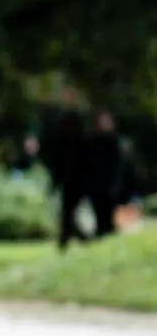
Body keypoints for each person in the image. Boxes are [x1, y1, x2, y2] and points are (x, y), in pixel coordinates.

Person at [41, 93, 89, 250]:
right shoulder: (64, 144)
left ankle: (72, 239)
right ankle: (76, 239)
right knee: (68, 213)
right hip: (70, 180)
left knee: (69, 213)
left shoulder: (77, 145)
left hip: (76, 180)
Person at [85, 110, 126, 240]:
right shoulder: (93, 141)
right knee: (99, 213)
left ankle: (108, 233)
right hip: (96, 183)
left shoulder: (113, 141)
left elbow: (117, 165)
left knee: (109, 213)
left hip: (109, 183)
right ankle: (101, 234)